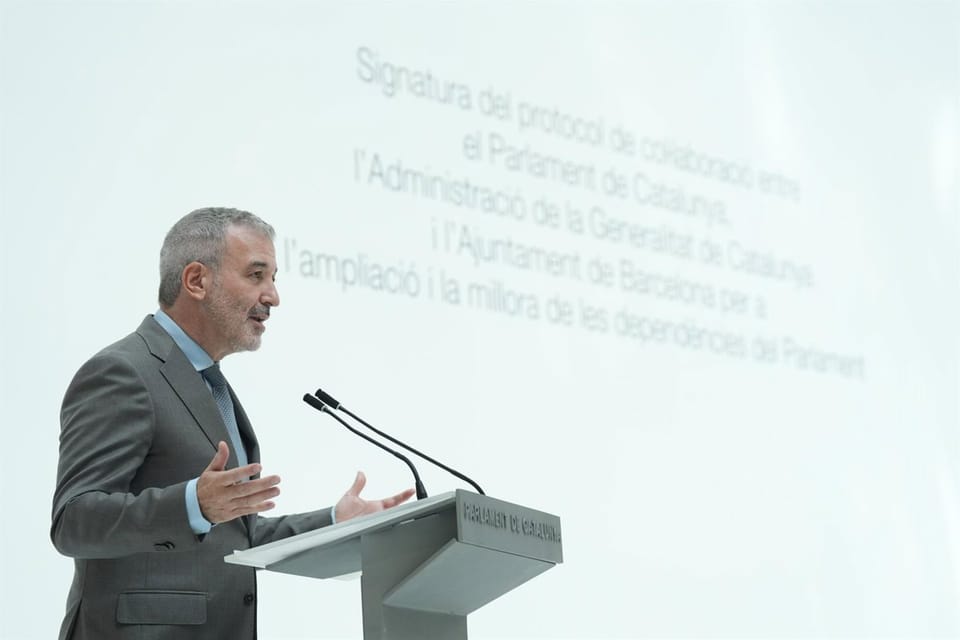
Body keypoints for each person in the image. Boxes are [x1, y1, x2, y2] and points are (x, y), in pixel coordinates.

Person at [51, 207, 415, 640]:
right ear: (196, 281)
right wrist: (192, 504)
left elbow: (231, 535)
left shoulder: (209, 383)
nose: (273, 296)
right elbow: (73, 521)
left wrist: (335, 520)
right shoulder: (123, 372)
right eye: (256, 274)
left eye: (274, 277)